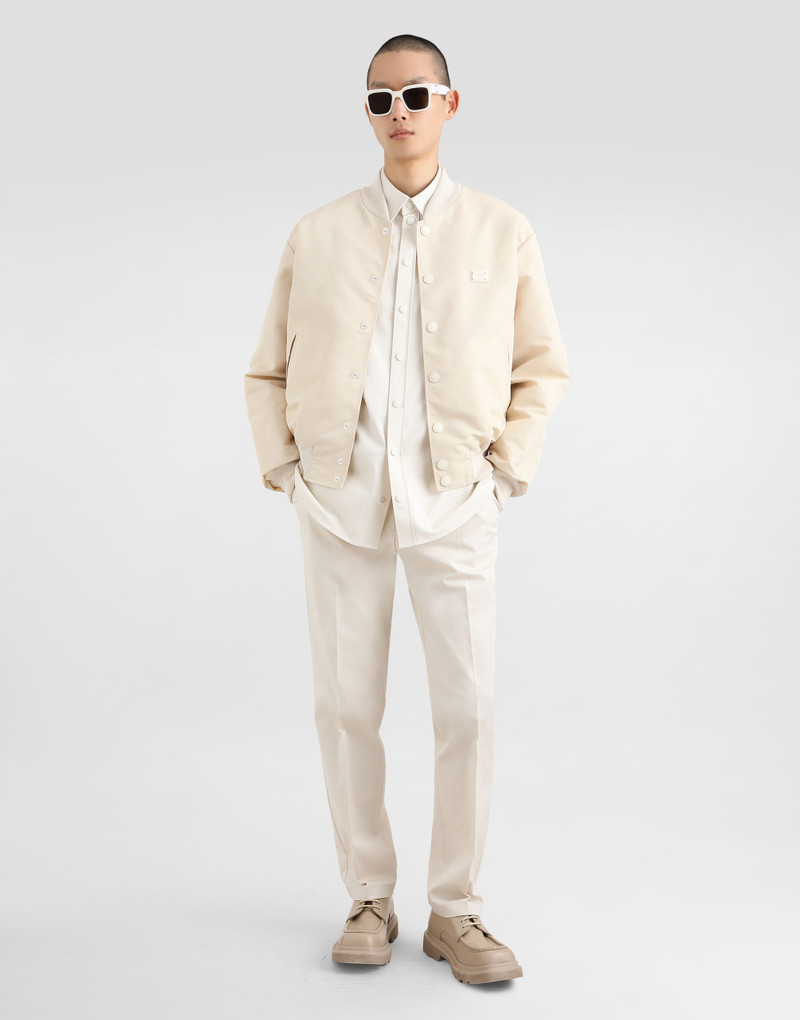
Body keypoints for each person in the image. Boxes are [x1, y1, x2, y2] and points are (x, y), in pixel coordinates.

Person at [244, 33, 570, 985]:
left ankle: (456, 911)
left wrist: (503, 475)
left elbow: (541, 367)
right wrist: (290, 475)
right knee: (347, 708)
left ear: (450, 105)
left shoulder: (502, 231)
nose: (400, 113)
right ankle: (369, 896)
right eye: (381, 98)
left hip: (457, 500)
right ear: (367, 112)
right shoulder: (316, 235)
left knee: (468, 710)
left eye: (416, 95)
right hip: (339, 502)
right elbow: (264, 370)